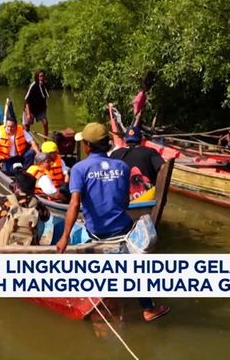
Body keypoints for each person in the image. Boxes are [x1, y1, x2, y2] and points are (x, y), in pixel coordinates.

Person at [55, 122, 170, 322]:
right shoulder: (122, 166)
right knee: (135, 265)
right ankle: (148, 308)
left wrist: (64, 237)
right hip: (123, 229)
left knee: (72, 238)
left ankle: (92, 300)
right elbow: (125, 201)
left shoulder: (79, 168)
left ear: (88, 146)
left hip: (97, 232)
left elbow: (74, 204)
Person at [0, 170, 51, 242]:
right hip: (28, 246)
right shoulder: (37, 203)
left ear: (16, 187)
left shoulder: (1, 201)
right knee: (41, 222)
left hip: (3, 246)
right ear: (33, 189)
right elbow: (46, 218)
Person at [24, 69, 50, 136]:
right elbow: (27, 101)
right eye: (40, 76)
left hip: (40, 109)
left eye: (43, 76)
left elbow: (44, 97)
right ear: (37, 77)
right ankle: (26, 140)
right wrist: (28, 114)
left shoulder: (45, 85)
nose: (42, 78)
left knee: (45, 123)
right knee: (27, 125)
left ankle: (45, 141)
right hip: (30, 108)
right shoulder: (32, 86)